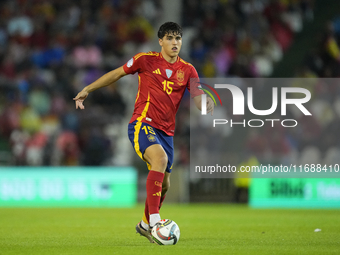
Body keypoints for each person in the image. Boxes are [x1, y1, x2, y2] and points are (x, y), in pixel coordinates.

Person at [73, 22, 214, 243]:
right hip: (143, 123)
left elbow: (197, 99)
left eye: (178, 38)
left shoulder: (188, 70)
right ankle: (157, 222)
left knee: (165, 183)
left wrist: (205, 104)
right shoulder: (145, 60)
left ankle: (146, 223)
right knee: (160, 159)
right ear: (160, 41)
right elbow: (117, 74)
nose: (174, 42)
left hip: (166, 133)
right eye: (169, 38)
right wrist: (87, 89)